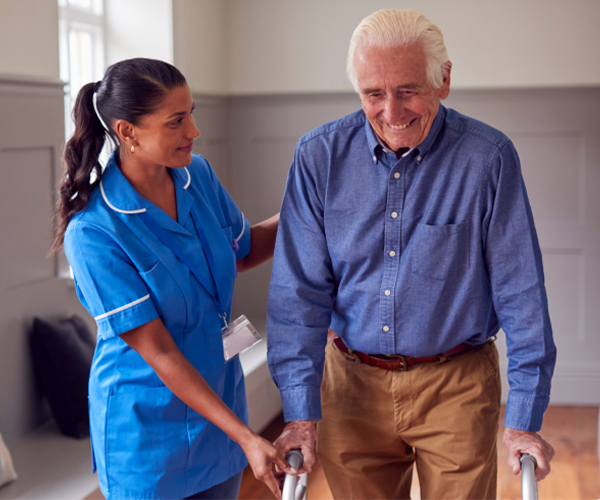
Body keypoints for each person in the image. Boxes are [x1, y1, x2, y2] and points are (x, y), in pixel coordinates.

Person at [267, 9, 556, 500]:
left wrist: (524, 418)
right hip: (350, 384)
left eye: (408, 90)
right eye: (373, 94)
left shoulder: (488, 158)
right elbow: (298, 293)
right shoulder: (319, 157)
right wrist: (299, 411)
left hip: (456, 385)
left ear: (444, 80)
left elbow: (521, 290)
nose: (391, 112)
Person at [51, 58, 295, 500]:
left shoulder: (196, 175)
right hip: (147, 437)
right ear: (127, 132)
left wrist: (309, 210)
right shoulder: (93, 232)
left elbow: (243, 252)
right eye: (177, 121)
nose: (194, 131)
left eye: (192, 113)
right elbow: (158, 350)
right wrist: (245, 435)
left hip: (219, 410)